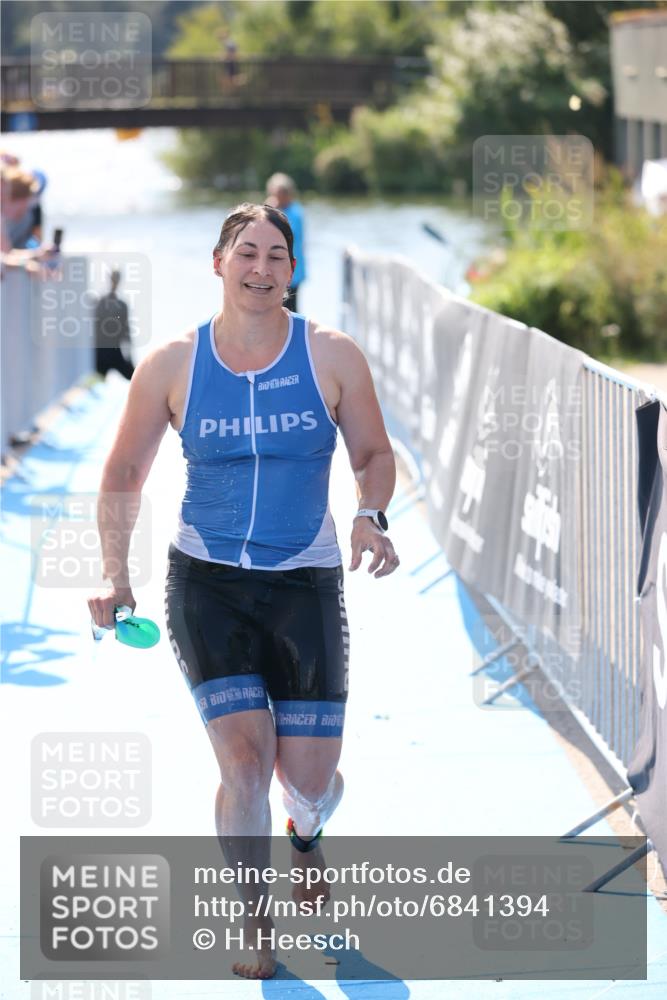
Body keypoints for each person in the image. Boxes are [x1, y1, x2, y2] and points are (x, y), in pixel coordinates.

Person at [88, 203, 399, 979]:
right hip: (209, 583)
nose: (261, 268)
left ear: (291, 271)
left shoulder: (331, 356)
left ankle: (305, 831)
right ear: (218, 263)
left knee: (309, 778)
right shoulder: (171, 364)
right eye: (246, 253)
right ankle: (254, 926)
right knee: (242, 763)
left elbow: (371, 452)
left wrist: (369, 515)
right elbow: (124, 474)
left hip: (304, 581)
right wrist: (114, 575)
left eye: (276, 256)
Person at [265, 173, 305, 311]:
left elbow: (285, 234)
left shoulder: (295, 212)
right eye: (275, 194)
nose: (277, 197)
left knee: (290, 309)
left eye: (280, 194)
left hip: (293, 271)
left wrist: (271, 210)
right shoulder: (280, 210)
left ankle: (295, 332)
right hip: (281, 269)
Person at [94, 269, 135, 380]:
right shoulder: (99, 302)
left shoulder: (122, 305)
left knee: (136, 377)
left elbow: (126, 331)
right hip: (100, 352)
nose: (115, 281)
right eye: (113, 278)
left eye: (117, 278)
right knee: (94, 383)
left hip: (115, 351)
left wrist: (129, 355)